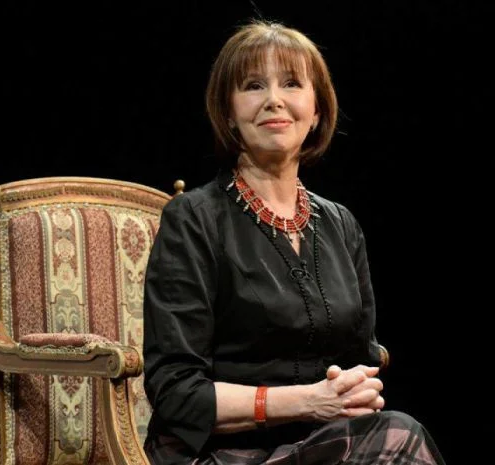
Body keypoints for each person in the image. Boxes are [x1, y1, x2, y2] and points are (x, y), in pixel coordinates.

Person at [142, 20, 446, 465]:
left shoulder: (341, 225)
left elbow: (360, 362)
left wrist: (354, 393)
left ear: (316, 110)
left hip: (325, 444)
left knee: (392, 433)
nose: (274, 100)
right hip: (217, 452)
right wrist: (308, 401)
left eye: (291, 83)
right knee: (399, 438)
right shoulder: (193, 220)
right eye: (253, 86)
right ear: (228, 112)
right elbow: (176, 393)